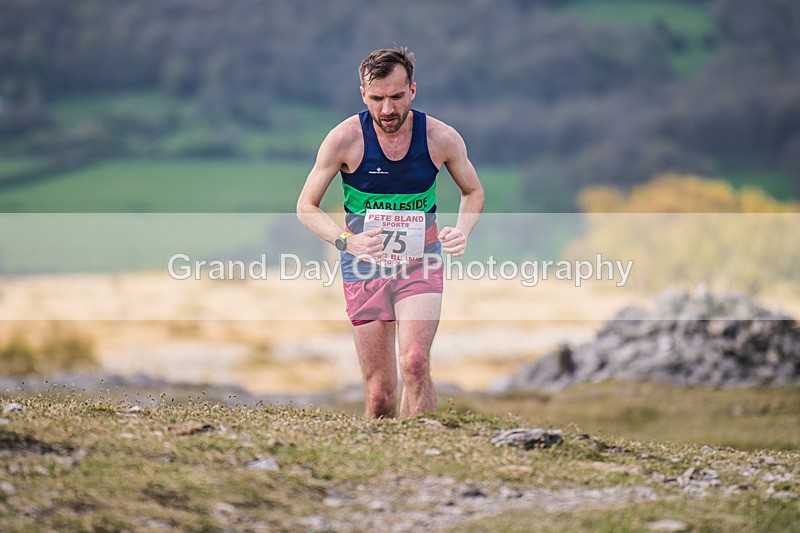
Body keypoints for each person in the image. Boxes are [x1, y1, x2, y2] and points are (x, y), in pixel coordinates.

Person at [296, 47, 484, 418]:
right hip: (364, 267)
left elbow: (473, 191)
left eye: (397, 97)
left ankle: (422, 456)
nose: (387, 110)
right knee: (379, 395)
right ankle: (381, 469)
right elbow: (306, 207)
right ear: (363, 94)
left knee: (415, 363)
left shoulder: (440, 137)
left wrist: (463, 229)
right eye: (377, 99)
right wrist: (347, 241)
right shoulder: (344, 139)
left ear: (413, 90)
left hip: (420, 262)